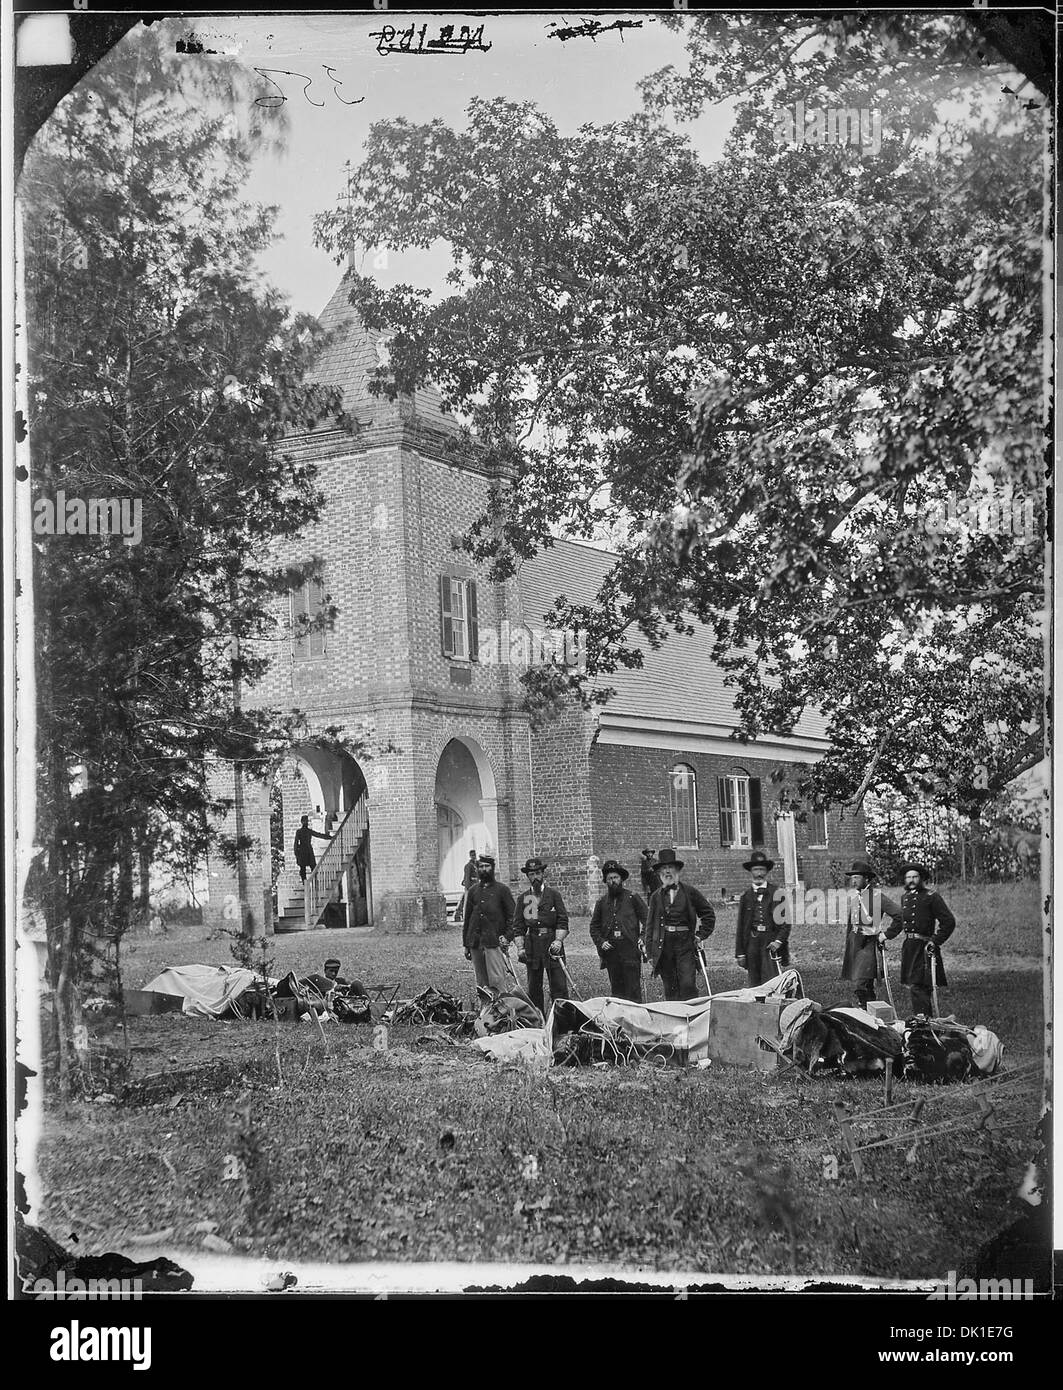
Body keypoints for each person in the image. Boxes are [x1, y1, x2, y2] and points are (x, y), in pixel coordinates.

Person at [883, 862, 956, 1017]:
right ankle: (922, 1020)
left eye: (915, 877)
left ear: (921, 878)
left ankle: (924, 1023)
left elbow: (948, 921)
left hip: (924, 947)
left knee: (920, 986)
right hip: (909, 946)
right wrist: (887, 935)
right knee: (915, 986)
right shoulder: (905, 898)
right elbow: (902, 922)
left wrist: (935, 941)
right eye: (908, 877)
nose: (911, 880)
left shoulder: (931, 897)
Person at [644, 848, 716, 1001]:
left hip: (685, 945)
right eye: (664, 868)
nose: (667, 871)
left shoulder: (690, 892)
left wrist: (699, 935)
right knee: (670, 987)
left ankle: (691, 1017)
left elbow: (708, 914)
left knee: (688, 984)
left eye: (671, 867)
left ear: (677, 870)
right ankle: (674, 1021)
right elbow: (650, 925)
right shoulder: (655, 897)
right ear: (659, 873)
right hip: (664, 946)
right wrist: (650, 953)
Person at [512, 857, 570, 1016]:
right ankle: (538, 1021)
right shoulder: (524, 898)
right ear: (528, 876)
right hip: (533, 945)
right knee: (534, 987)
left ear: (543, 874)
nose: (535, 877)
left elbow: (563, 920)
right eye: (531, 874)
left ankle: (561, 1021)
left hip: (552, 943)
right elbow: (518, 925)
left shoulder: (553, 895)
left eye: (538, 873)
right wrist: (520, 947)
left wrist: (558, 940)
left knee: (558, 986)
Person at [840, 860, 901, 1008]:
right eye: (852, 877)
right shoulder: (856, 898)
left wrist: (885, 935)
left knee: (861, 985)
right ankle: (870, 1014)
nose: (853, 881)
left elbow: (899, 915)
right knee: (864, 987)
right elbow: (851, 926)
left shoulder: (877, 896)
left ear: (867, 878)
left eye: (857, 877)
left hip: (868, 946)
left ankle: (870, 1014)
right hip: (856, 946)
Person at [589, 859, 647, 1002]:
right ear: (606, 881)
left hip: (630, 949)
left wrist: (643, 937)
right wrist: (601, 942)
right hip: (611, 951)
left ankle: (635, 1020)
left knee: (633, 989)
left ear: (621, 879)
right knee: (617, 990)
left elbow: (648, 920)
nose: (613, 881)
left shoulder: (632, 898)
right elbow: (594, 927)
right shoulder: (601, 902)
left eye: (615, 877)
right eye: (609, 878)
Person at [735, 849, 791, 987]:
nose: (759, 873)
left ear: (766, 872)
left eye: (762, 869)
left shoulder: (777, 893)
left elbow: (785, 923)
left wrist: (778, 941)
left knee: (772, 979)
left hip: (770, 940)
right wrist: (740, 952)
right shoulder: (746, 897)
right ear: (751, 872)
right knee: (754, 980)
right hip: (752, 942)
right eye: (755, 869)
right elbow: (741, 927)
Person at [463, 853, 517, 995]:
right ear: (477, 869)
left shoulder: (502, 890)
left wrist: (507, 937)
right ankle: (485, 1013)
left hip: (494, 942)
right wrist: (466, 944)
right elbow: (467, 919)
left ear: (492, 868)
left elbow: (514, 917)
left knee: (497, 982)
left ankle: (502, 1013)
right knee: (482, 985)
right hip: (476, 943)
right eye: (481, 866)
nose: (484, 869)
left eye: (487, 866)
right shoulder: (473, 891)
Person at [293, 814, 330, 881]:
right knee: (303, 868)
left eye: (306, 821)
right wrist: (296, 852)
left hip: (308, 850)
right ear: (302, 822)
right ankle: (305, 882)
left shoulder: (308, 831)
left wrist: (329, 837)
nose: (305, 822)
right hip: (302, 851)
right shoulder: (299, 832)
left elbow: (318, 835)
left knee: (313, 867)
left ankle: (315, 881)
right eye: (304, 821)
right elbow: (296, 843)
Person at [458, 848, 478, 918]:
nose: (474, 856)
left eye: (474, 855)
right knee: (466, 901)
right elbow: (467, 877)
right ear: (470, 856)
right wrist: (467, 888)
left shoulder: (476, 865)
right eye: (472, 855)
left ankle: (458, 913)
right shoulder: (468, 866)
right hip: (470, 886)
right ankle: (464, 916)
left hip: (476, 885)